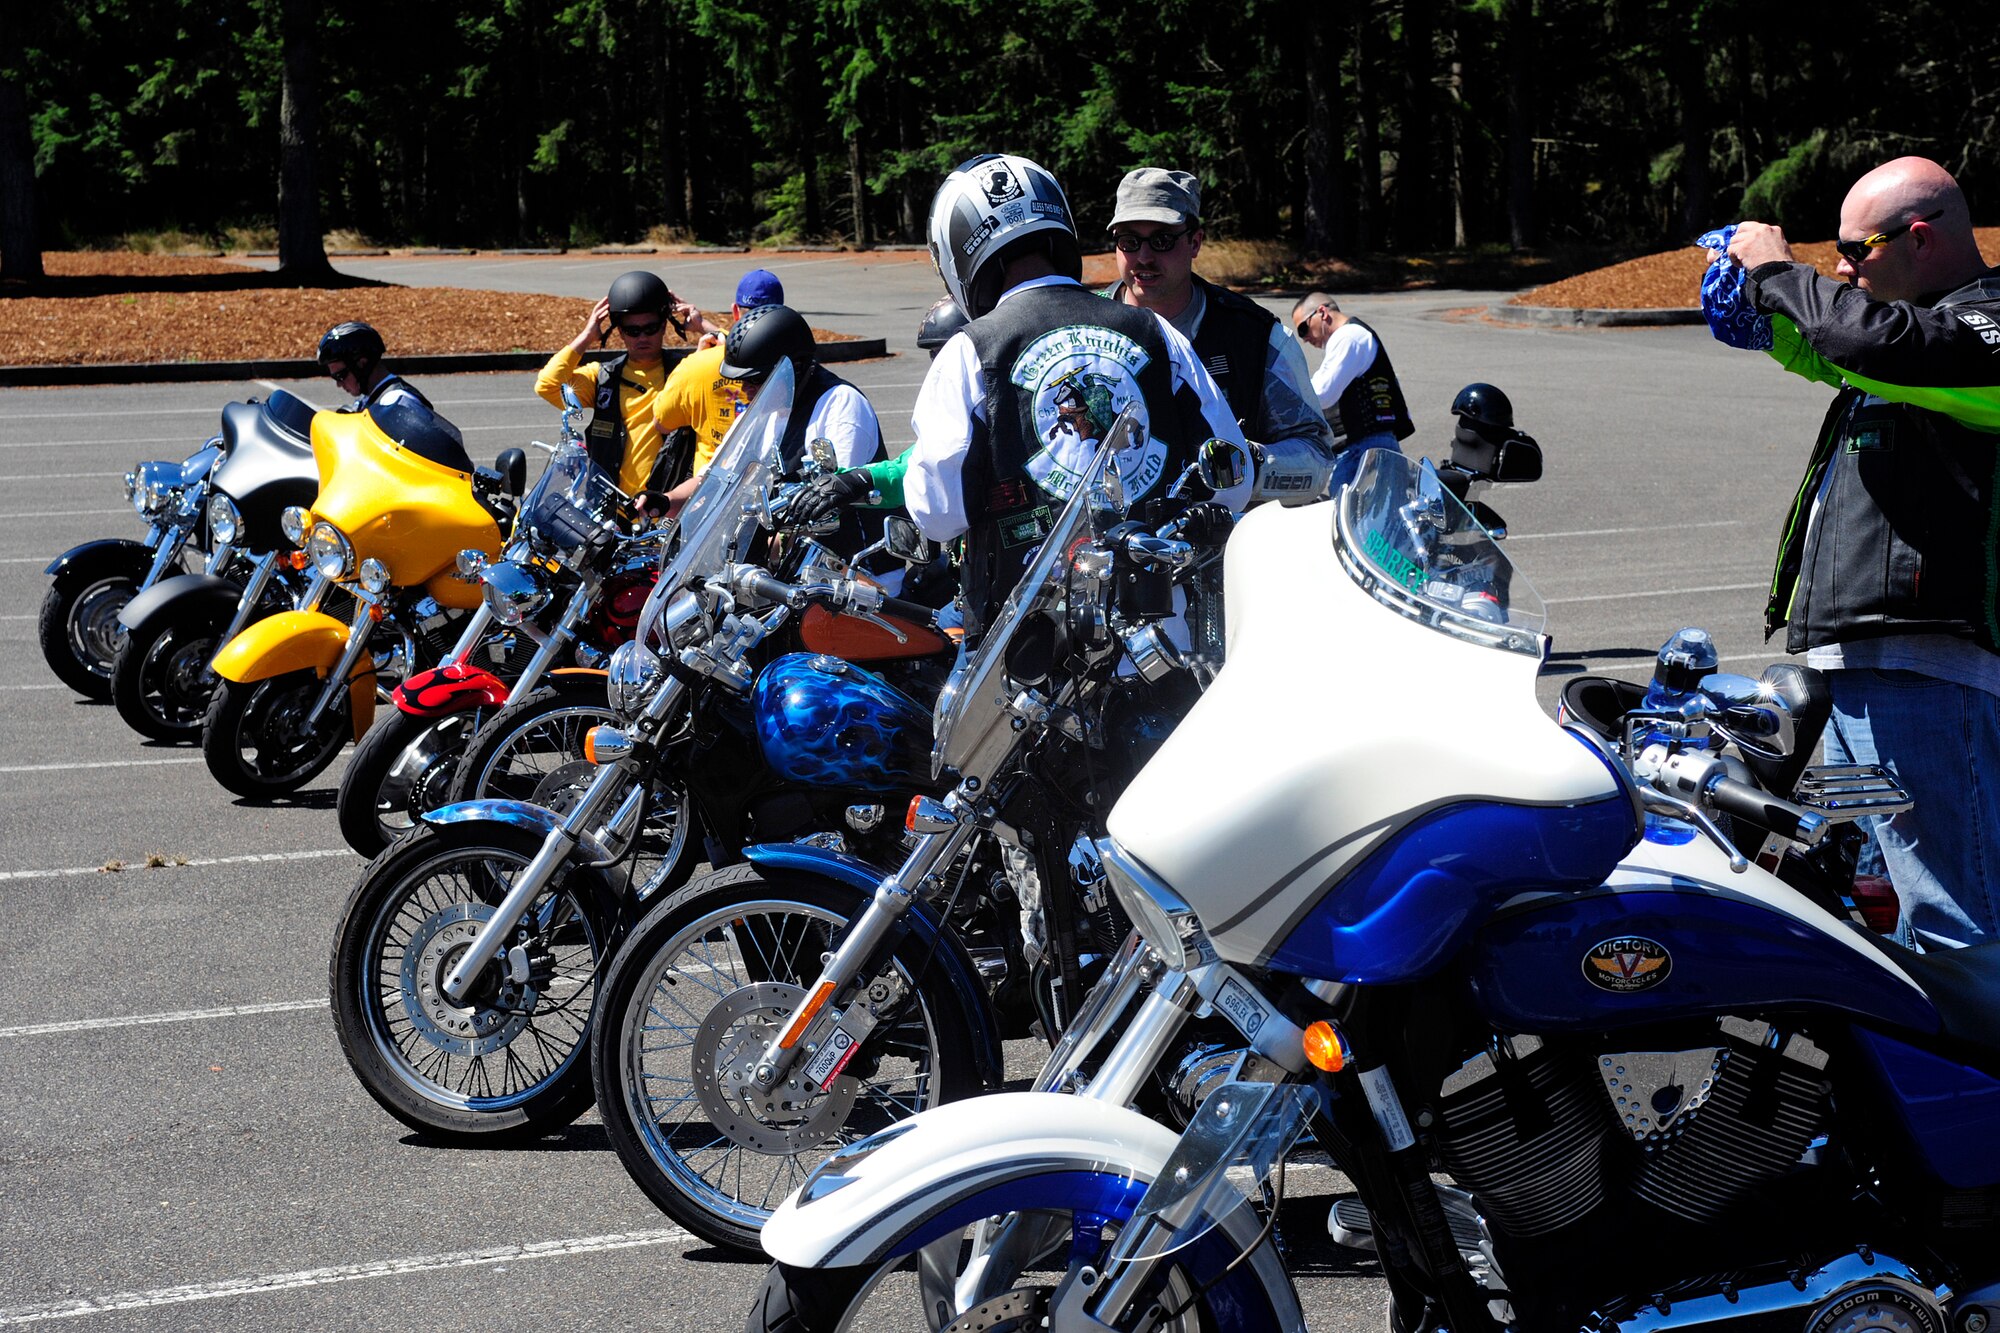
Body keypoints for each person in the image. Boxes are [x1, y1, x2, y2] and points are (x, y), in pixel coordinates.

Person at [1722, 155, 2000, 951]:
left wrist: (1779, 270)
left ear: (1921, 238)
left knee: (1958, 930)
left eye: (1857, 251)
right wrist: (1756, 307)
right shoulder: (1914, 336)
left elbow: (1866, 340)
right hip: (1863, 671)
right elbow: (1831, 348)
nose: (1841, 270)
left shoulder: (1981, 328)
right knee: (1876, 918)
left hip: (1934, 675)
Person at [899, 153, 1251, 643]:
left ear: (959, 248)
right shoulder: (1156, 331)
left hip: (1024, 653)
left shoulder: (969, 350)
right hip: (1158, 637)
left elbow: (939, 513)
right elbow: (1232, 477)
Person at [1098, 168, 1334, 477]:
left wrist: (1242, 464)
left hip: (1225, 522)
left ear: (1195, 243)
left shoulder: (1255, 337)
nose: (1143, 257)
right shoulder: (1078, 328)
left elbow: (1316, 455)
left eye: (1162, 240)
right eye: (1129, 241)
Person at [535, 270, 697, 510]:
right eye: (632, 331)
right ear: (619, 332)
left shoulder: (688, 371)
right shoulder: (603, 377)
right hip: (610, 510)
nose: (642, 337)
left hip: (666, 507)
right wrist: (588, 335)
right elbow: (547, 385)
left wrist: (702, 326)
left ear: (665, 326)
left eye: (650, 328)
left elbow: (740, 363)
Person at [1291, 291, 1415, 491]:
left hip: (1365, 449)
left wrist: (1288, 395)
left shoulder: (1349, 337)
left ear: (1322, 312)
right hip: (1368, 446)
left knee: (1351, 518)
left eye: (1303, 328)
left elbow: (1322, 393)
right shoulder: (1349, 337)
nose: (1305, 338)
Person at [317, 321, 433, 413]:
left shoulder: (396, 402)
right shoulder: (370, 397)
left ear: (362, 364)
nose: (338, 384)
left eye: (340, 375)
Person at [678, 268, 785, 349]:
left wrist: (700, 324)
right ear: (782, 313)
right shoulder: (794, 350)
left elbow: (738, 342)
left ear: (735, 312)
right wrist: (700, 324)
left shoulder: (724, 359)